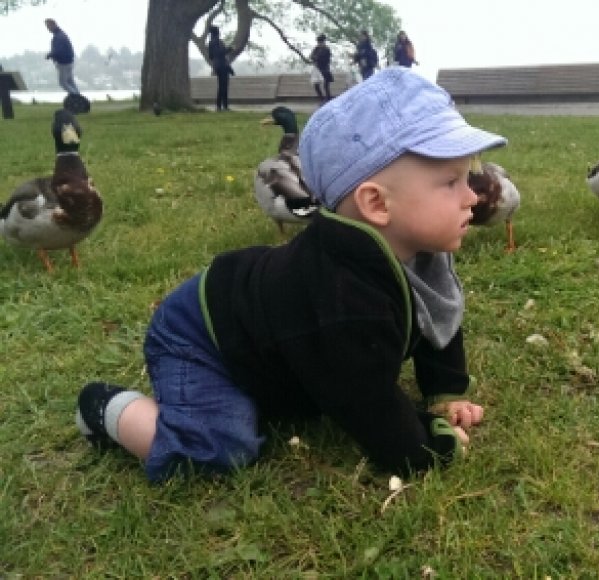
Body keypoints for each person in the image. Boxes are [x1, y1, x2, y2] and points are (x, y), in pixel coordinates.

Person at [75, 68, 506, 483]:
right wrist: (427, 448)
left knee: (299, 379)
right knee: (218, 447)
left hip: (277, 331)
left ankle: (273, 383)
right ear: (376, 204)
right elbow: (365, 399)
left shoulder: (420, 250)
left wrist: (446, 391)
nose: (471, 196)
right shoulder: (342, 296)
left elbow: (438, 317)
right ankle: (107, 408)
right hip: (201, 336)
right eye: (451, 182)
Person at [44, 18, 80, 95]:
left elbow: (58, 50)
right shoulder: (61, 34)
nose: (48, 29)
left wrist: (50, 55)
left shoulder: (59, 36)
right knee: (70, 81)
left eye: (48, 26)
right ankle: (78, 96)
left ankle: (76, 97)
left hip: (63, 62)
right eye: (47, 27)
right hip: (69, 60)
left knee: (63, 83)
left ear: (53, 25)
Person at [208, 25, 234, 111]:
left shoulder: (211, 43)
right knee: (224, 86)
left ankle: (220, 106)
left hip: (217, 66)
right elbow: (220, 53)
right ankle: (224, 106)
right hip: (222, 66)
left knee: (221, 86)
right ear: (217, 32)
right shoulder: (218, 42)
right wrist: (229, 49)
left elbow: (211, 56)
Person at [309, 34, 333, 102]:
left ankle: (328, 99)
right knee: (316, 85)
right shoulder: (316, 48)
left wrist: (316, 58)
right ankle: (321, 99)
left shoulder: (326, 49)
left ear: (323, 42)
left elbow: (323, 58)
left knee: (326, 86)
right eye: (318, 42)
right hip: (318, 69)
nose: (319, 43)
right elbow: (311, 56)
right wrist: (315, 58)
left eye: (320, 42)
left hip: (325, 69)